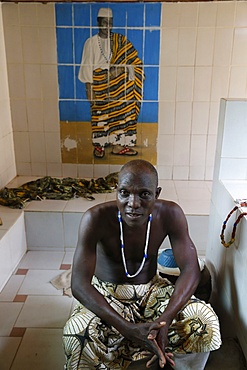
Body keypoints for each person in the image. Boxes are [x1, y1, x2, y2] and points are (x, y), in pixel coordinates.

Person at [63, 159, 221, 369]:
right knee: (77, 334)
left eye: (144, 194)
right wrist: (127, 329)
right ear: (116, 190)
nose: (133, 203)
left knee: (205, 321)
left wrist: (165, 320)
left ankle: (169, 363)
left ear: (157, 193)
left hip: (152, 290)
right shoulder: (95, 218)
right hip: (107, 293)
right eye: (125, 193)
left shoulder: (170, 214)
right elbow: (79, 284)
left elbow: (191, 269)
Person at [78, 8, 144, 159]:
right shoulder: (91, 43)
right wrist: (89, 89)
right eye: (104, 23)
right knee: (100, 114)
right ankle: (100, 146)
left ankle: (118, 145)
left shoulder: (120, 40)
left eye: (110, 23)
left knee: (123, 109)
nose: (108, 26)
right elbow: (87, 67)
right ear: (98, 23)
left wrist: (121, 69)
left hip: (119, 85)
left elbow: (133, 60)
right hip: (100, 84)